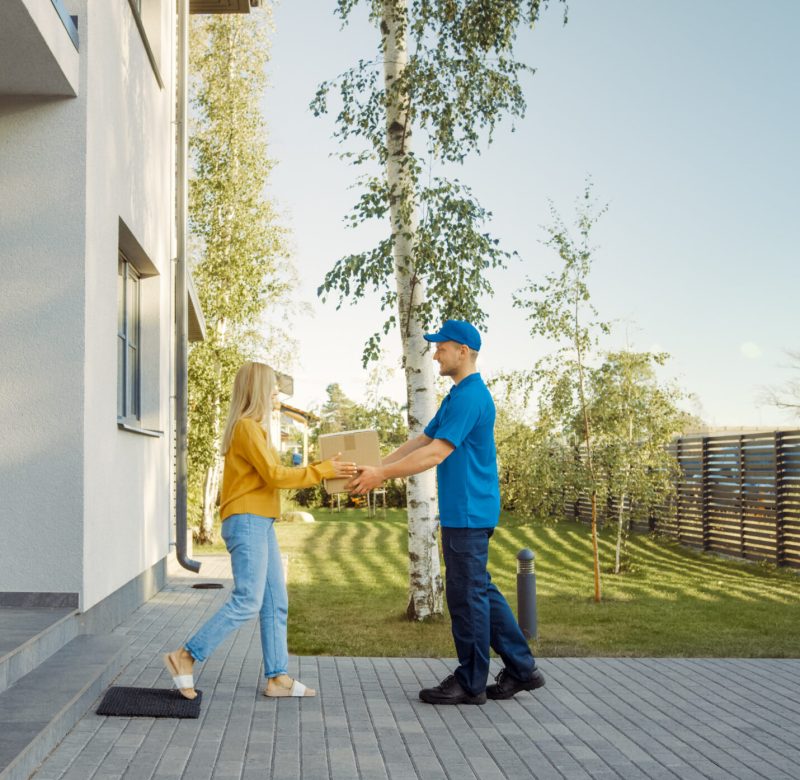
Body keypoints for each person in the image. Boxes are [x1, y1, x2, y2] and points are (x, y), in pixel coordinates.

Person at [351, 320, 545, 705]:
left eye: (442, 347)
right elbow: (422, 441)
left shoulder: (471, 397)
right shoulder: (457, 396)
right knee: (480, 592)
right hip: (467, 512)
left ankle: (471, 683)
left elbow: (436, 453)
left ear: (463, 351)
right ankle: (523, 670)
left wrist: (381, 475)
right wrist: (374, 467)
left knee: (466, 598)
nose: (436, 353)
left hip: (468, 513)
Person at [164, 362, 357, 700]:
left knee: (275, 602)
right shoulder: (246, 428)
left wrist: (320, 468)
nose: (276, 392)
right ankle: (186, 656)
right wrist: (321, 471)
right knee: (248, 600)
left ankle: (277, 677)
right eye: (272, 386)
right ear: (257, 390)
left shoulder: (255, 430)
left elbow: (272, 474)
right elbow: (275, 476)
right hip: (247, 519)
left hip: (260, 521)